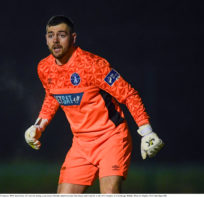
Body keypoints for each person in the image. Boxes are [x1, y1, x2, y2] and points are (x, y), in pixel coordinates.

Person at [24, 15, 164, 194]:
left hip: (110, 138)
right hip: (81, 145)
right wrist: (38, 125)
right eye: (51, 35)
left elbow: (128, 94)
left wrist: (147, 131)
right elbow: (52, 96)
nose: (56, 40)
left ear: (73, 38)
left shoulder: (92, 65)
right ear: (45, 39)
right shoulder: (44, 68)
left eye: (62, 35)